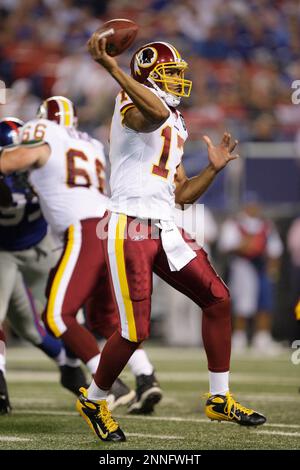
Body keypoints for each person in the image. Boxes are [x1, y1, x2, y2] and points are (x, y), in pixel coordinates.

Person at [74, 35, 266, 442]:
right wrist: (113, 68)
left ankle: (219, 398)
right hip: (129, 223)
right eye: (170, 74)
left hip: (164, 225)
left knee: (218, 298)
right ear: (145, 75)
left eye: (179, 74)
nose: (179, 81)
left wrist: (212, 171)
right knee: (134, 330)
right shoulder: (130, 105)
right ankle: (94, 400)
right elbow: (150, 115)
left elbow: (180, 195)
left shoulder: (176, 121)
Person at [0, 100, 162, 412]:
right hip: (111, 228)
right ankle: (145, 376)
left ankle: (107, 384)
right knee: (105, 318)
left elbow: (17, 159)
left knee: (58, 315)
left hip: (83, 230)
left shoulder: (45, 132)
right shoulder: (90, 143)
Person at [0, 117, 87, 414]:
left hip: (41, 244)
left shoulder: (44, 165)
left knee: (67, 306)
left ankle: (79, 365)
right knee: (26, 325)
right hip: (3, 251)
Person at [218, 197, 283, 353]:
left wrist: (272, 267)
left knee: (265, 302)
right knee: (242, 304)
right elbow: (226, 245)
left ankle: (262, 338)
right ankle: (239, 338)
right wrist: (244, 245)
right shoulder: (234, 223)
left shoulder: (266, 225)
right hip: (242, 266)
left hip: (261, 266)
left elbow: (275, 249)